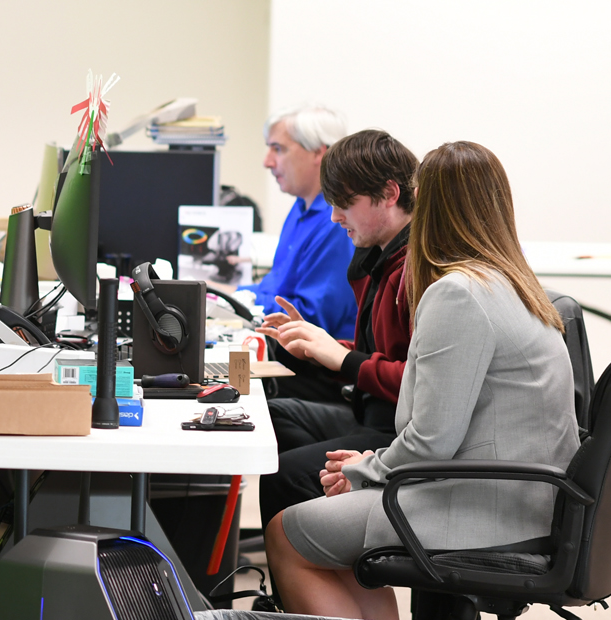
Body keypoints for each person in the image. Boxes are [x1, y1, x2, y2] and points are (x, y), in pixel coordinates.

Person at [265, 141, 579, 619]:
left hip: (483, 507)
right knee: (331, 529)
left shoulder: (457, 293)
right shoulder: (513, 282)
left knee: (287, 534)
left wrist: (364, 471)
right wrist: (371, 462)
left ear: (427, 204)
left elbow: (431, 440)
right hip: (525, 496)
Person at [254, 130, 416, 540]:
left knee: (284, 476)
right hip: (372, 411)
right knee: (271, 418)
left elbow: (420, 382)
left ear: (390, 193)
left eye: (345, 204)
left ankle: (319, 583)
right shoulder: (380, 260)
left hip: (398, 430)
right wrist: (319, 346)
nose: (334, 217)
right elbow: (379, 354)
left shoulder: (417, 272)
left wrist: (342, 358)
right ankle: (337, 559)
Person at [240, 106, 358, 344]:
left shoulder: (335, 221)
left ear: (318, 153)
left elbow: (311, 319)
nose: (267, 162)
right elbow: (276, 285)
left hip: (318, 365)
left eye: (278, 149)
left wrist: (243, 301)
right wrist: (233, 295)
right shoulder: (301, 207)